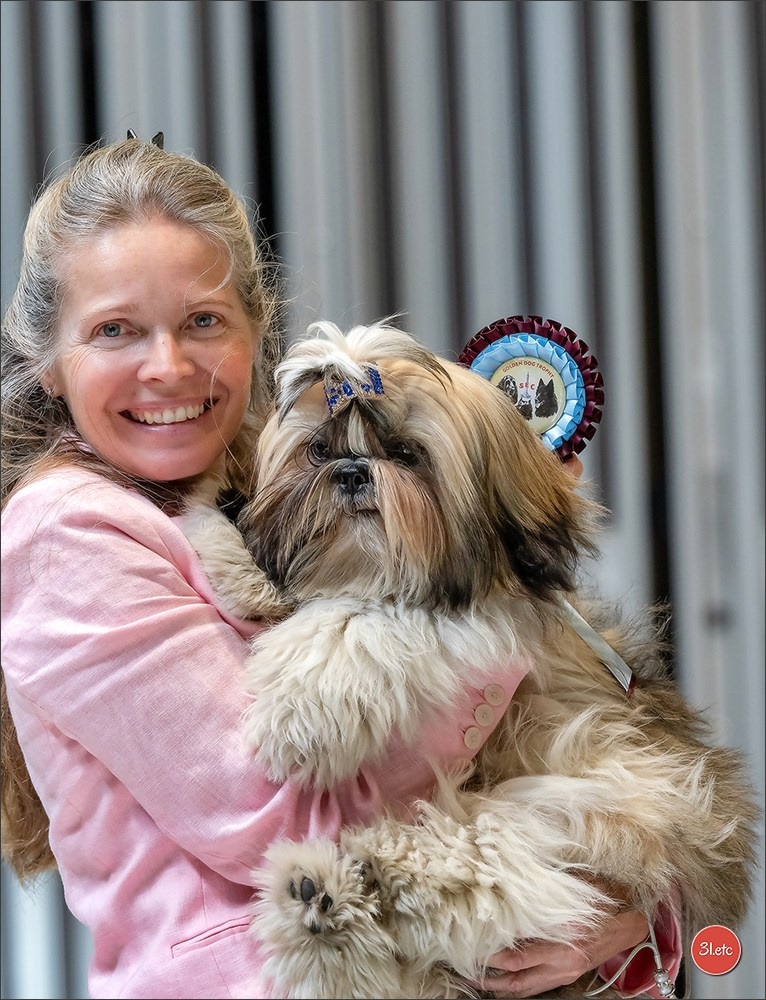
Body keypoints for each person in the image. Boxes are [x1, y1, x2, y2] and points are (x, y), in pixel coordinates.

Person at [0, 136, 681, 999]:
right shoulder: (67, 533)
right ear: (49, 365)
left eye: (203, 321)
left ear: (256, 332)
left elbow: (611, 766)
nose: (168, 365)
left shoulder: (271, 485)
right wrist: (502, 616)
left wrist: (622, 905)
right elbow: (271, 816)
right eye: (115, 331)